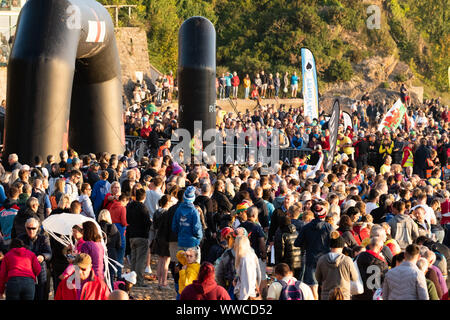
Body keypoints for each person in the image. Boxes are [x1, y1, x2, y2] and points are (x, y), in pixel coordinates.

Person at [294, 200, 332, 300]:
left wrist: (307, 243)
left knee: (313, 288)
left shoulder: (306, 227)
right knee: (324, 288)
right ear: (324, 215)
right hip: (326, 260)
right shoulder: (329, 227)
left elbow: (297, 243)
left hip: (311, 260)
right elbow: (335, 243)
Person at [315, 231, 358, 300]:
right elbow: (354, 277)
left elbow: (317, 278)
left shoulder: (322, 259)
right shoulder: (347, 260)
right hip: (343, 295)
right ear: (342, 246)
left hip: (326, 295)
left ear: (330, 246)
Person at [18, 218, 52, 300]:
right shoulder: (20, 238)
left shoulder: (43, 238)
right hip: (25, 270)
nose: (31, 230)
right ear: (25, 228)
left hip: (41, 269)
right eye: (29, 228)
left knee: (41, 293)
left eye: (33, 228)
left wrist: (43, 256)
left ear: (37, 228)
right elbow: (15, 252)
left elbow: (49, 253)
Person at [126, 188, 152, 287]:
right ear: (144, 197)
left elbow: (127, 219)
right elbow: (147, 223)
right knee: (140, 260)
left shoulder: (130, 206)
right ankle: (139, 281)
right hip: (141, 235)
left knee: (134, 259)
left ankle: (132, 279)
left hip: (132, 235)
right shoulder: (143, 208)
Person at [172, 186, 203, 263]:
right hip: (192, 243)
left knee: (182, 265)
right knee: (193, 268)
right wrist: (199, 237)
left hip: (181, 241)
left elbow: (174, 227)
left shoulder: (178, 210)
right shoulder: (194, 211)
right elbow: (197, 228)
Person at [233, 235, 262, 300]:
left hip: (246, 296)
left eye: (235, 242)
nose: (234, 244)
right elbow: (259, 274)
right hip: (251, 293)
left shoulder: (245, 259)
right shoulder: (251, 255)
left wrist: (243, 298)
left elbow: (247, 283)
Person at [98, 209, 121, 285]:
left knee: (99, 276)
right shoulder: (114, 229)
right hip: (112, 253)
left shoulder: (96, 227)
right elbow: (119, 244)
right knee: (110, 276)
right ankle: (110, 293)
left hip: (99, 253)